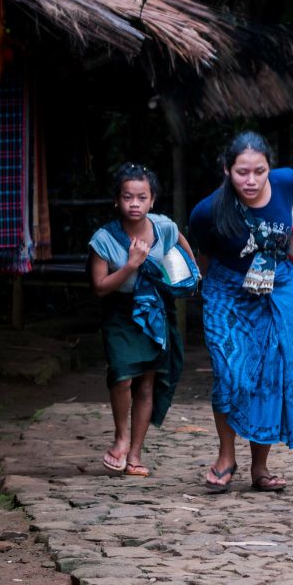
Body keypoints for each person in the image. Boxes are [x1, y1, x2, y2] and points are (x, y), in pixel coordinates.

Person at [189, 132, 293, 492]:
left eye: (259, 171)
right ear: (228, 170)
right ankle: (226, 455)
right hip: (227, 290)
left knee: (271, 374)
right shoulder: (207, 211)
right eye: (242, 172)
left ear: (269, 168)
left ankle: (259, 468)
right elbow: (205, 255)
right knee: (229, 371)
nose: (251, 180)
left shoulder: (288, 182)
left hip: (278, 287)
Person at [88, 164, 196, 476]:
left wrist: (192, 273)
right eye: (127, 197)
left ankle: (135, 454)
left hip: (156, 312)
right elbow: (99, 287)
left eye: (141, 197)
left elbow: (180, 241)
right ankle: (121, 438)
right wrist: (131, 265)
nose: (134, 203)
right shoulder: (104, 239)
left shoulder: (162, 227)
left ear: (152, 200)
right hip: (120, 312)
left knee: (147, 384)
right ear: (117, 200)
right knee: (122, 376)